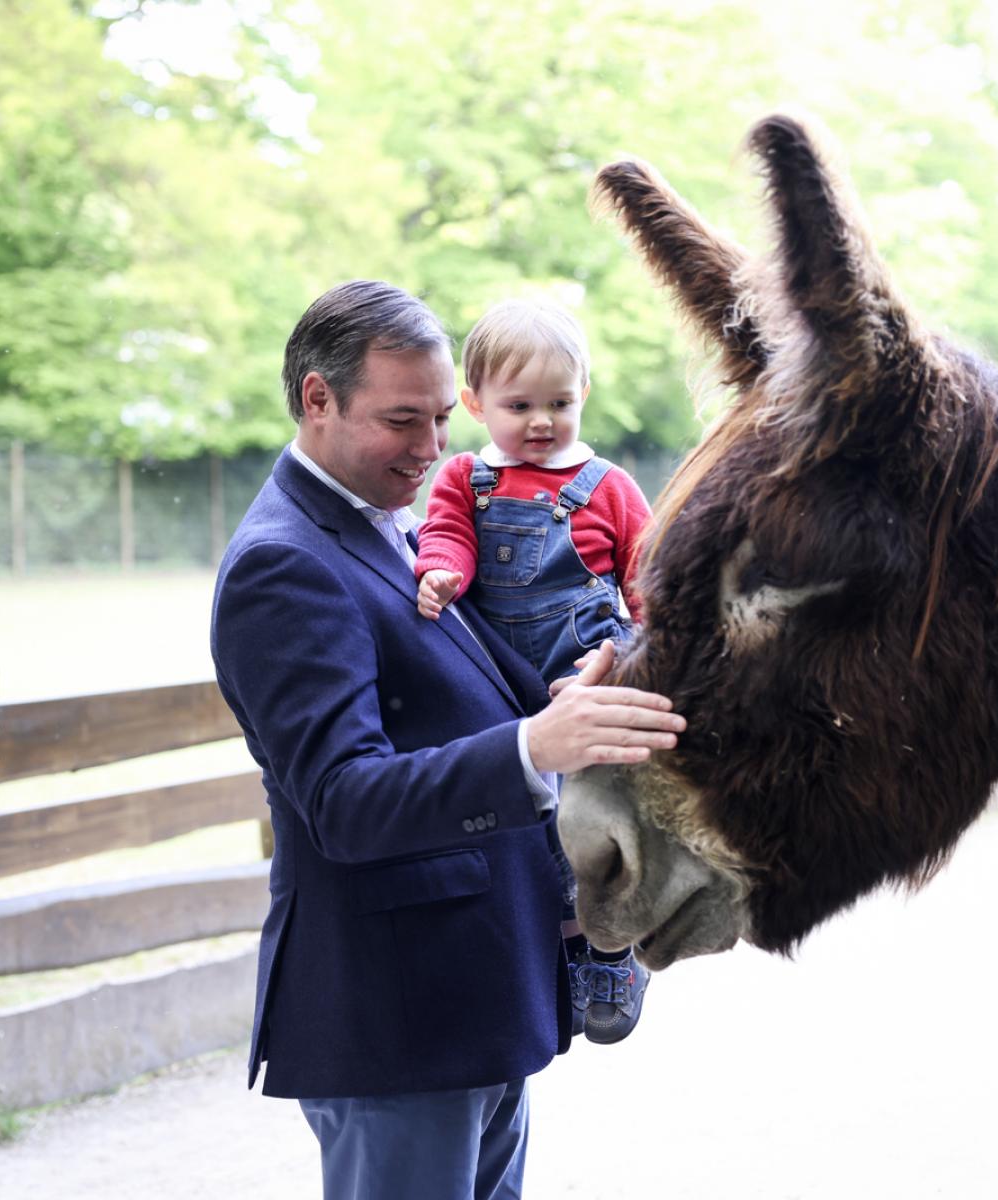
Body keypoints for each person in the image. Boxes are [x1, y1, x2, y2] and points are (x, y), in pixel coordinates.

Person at [209, 279, 684, 1200]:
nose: (432, 451)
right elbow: (345, 802)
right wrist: (533, 749)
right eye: (402, 422)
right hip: (400, 1014)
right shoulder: (283, 563)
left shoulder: (386, 525)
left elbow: (471, 694)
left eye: (438, 419)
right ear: (317, 398)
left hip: (477, 994)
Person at [413, 298, 655, 1046]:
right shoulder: (466, 479)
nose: (542, 421)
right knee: (530, 830)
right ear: (475, 402)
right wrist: (441, 573)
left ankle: (611, 950)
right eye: (520, 405)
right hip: (499, 682)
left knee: (599, 825)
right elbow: (446, 535)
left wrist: (626, 654)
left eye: (559, 402)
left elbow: (645, 576)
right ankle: (564, 946)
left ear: (584, 393)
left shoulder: (607, 486)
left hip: (586, 677)